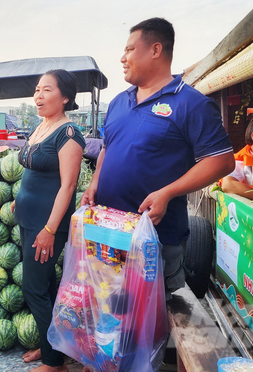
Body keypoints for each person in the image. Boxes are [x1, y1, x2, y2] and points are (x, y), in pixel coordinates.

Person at [81, 17, 234, 305]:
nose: (122, 58)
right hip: (109, 229)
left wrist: (168, 192)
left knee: (150, 317)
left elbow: (222, 161)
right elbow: (107, 148)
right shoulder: (118, 102)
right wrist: (94, 183)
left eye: (129, 50)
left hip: (155, 237)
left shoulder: (191, 103)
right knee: (109, 306)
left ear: (155, 50)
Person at [14, 70, 85, 372]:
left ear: (65, 97)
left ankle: (54, 364)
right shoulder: (41, 126)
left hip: (47, 226)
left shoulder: (68, 134)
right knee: (46, 285)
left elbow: (67, 187)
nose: (38, 96)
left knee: (34, 289)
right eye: (37, 90)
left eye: (46, 90)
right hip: (28, 220)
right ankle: (52, 345)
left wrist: (49, 230)